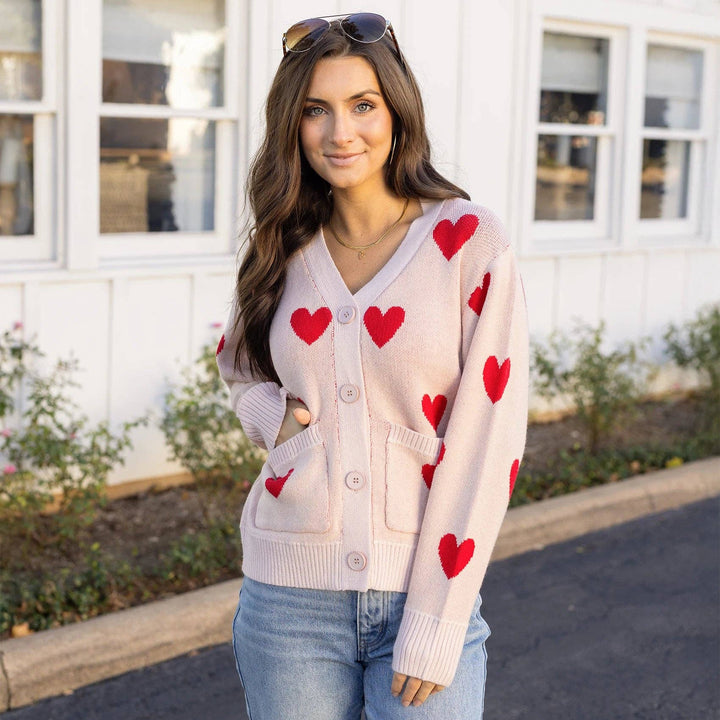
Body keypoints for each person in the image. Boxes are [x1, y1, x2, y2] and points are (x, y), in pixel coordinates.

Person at [216, 12, 528, 719]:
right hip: (286, 605)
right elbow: (238, 363)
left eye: (363, 106)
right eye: (315, 111)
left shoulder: (465, 242)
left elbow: (488, 439)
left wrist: (437, 621)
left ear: (397, 111)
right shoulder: (283, 246)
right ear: (292, 125)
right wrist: (283, 429)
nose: (340, 132)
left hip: (421, 593)